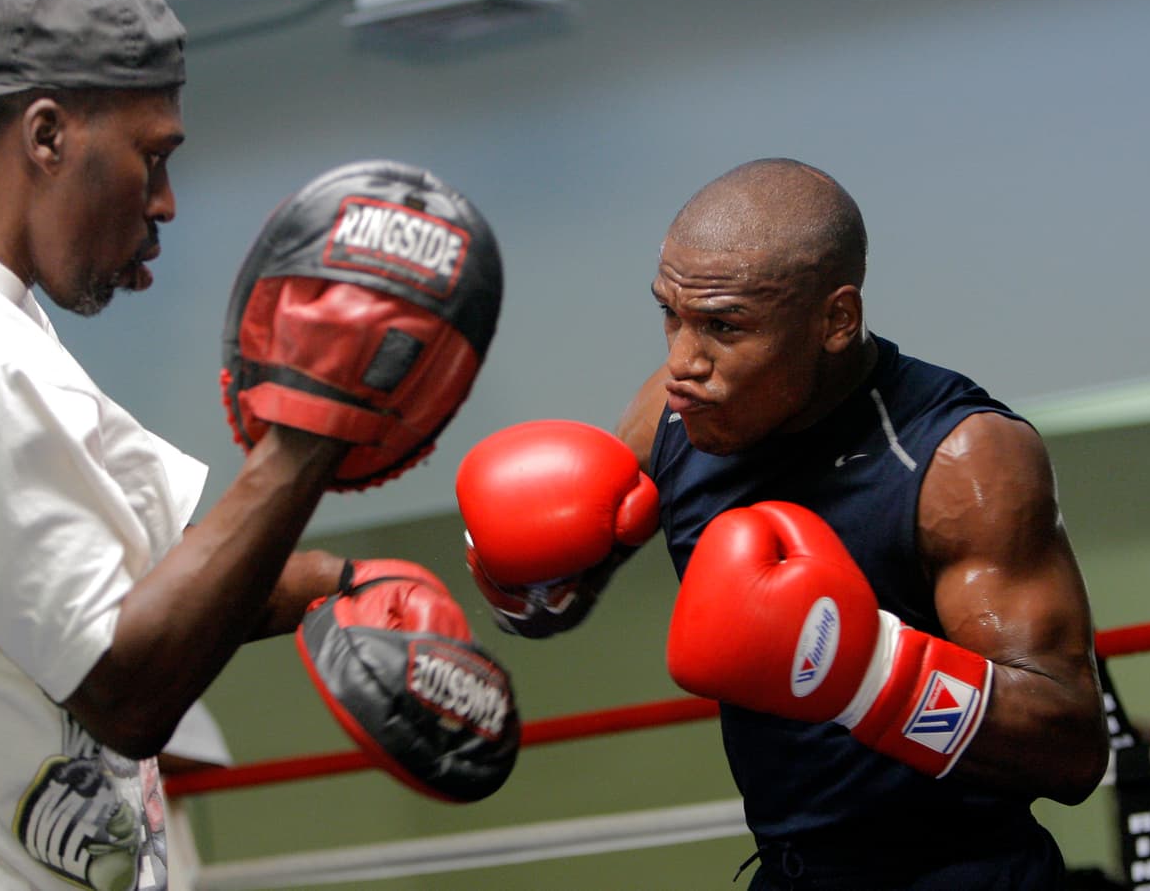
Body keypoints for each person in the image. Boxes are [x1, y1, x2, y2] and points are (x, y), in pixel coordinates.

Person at [0, 0, 510, 888]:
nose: (166, 203)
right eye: (153, 157)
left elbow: (151, 573)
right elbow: (126, 690)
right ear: (47, 136)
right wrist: (311, 434)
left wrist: (340, 582)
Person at [457, 157, 1110, 889]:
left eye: (723, 325)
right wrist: (519, 583)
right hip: (793, 874)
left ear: (836, 321)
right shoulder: (675, 413)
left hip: (967, 876)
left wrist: (868, 672)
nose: (682, 361)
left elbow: (1070, 752)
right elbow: (558, 596)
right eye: (671, 314)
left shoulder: (960, 457)